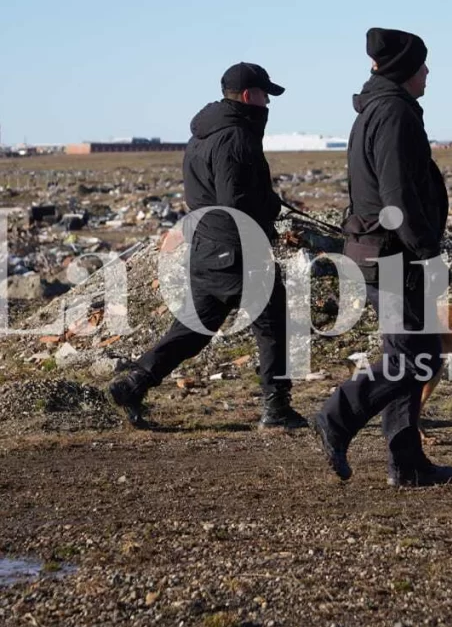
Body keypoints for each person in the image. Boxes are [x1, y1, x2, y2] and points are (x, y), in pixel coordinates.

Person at [108, 62, 307, 431]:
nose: (268, 103)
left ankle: (133, 383)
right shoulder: (237, 137)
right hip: (238, 247)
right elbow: (238, 202)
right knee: (273, 324)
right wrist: (269, 208)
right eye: (265, 95)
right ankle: (276, 409)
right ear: (249, 96)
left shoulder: (202, 134)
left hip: (207, 246)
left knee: (194, 328)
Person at [313, 28, 452, 487]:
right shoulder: (394, 113)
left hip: (380, 251)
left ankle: (407, 463)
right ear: (405, 70)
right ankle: (336, 417)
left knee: (408, 354)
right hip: (396, 256)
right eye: (422, 65)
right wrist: (426, 248)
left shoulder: (377, 110)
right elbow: (397, 197)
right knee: (419, 359)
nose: (428, 72)